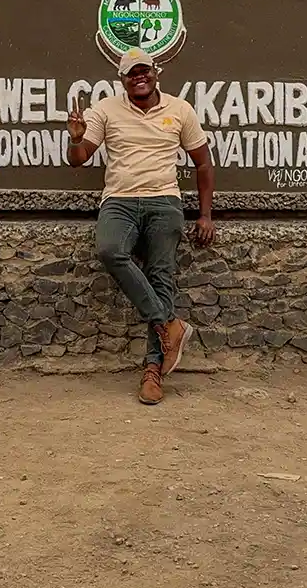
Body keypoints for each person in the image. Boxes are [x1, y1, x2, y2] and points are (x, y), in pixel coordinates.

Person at [66, 47, 216, 405]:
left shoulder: (181, 110)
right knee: (110, 250)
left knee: (161, 276)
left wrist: (206, 214)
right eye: (131, 73)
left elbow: (204, 163)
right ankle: (168, 325)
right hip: (119, 200)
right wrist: (75, 138)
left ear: (155, 72)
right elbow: (79, 159)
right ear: (123, 79)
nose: (139, 77)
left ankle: (153, 370)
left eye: (144, 70)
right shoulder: (104, 110)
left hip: (164, 201)